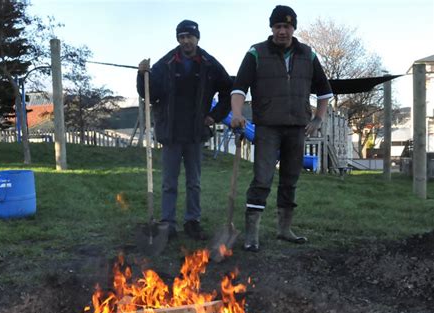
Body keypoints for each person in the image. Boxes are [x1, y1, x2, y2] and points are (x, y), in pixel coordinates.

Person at [230, 5, 333, 252]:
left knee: (290, 179)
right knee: (262, 179)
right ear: (272, 28)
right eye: (278, 26)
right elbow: (239, 88)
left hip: (297, 127)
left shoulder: (308, 55)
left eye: (287, 26)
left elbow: (325, 91)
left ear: (294, 28)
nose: (282, 31)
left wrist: (318, 119)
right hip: (267, 127)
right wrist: (236, 114)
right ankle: (252, 234)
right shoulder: (256, 53)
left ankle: (284, 229)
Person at [137, 20, 232, 240]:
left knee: (194, 181)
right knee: (169, 181)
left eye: (189, 36)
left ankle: (192, 222)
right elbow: (149, 92)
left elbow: (228, 89)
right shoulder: (166, 63)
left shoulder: (209, 64)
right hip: (170, 131)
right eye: (181, 37)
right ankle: (168, 223)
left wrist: (214, 116)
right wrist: (142, 75)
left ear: (197, 38)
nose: (185, 41)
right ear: (177, 39)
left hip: (195, 132)